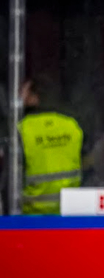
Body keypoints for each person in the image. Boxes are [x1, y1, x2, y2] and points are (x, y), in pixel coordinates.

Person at [18, 78, 84, 214]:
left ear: (31, 96)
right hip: (71, 212)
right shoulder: (72, 125)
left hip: (28, 218)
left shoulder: (20, 129)